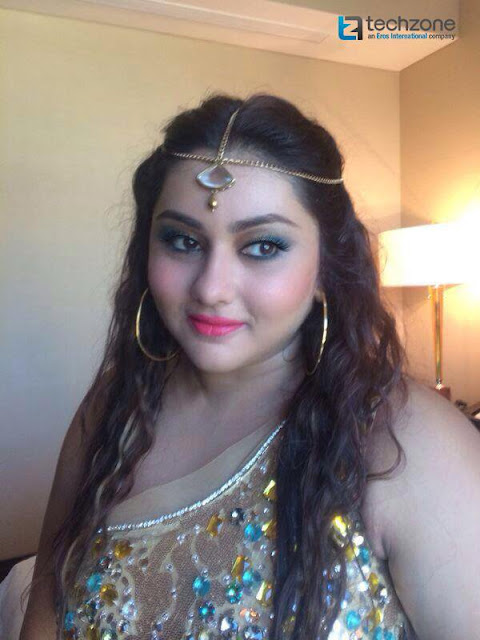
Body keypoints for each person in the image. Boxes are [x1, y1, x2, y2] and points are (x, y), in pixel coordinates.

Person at [19, 93, 480, 640]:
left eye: (263, 246)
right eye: (183, 240)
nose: (212, 288)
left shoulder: (407, 440)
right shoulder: (112, 413)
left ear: (325, 268)